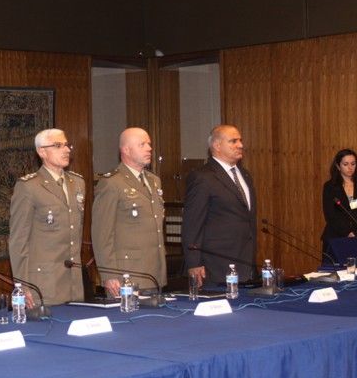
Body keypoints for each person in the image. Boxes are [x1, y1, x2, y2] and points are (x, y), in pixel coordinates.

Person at [8, 129, 86, 306]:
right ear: (42, 152)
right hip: (43, 283)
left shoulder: (78, 183)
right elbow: (18, 240)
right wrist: (22, 285)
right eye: (58, 145)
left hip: (74, 282)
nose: (66, 150)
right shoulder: (29, 186)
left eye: (67, 145)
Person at [91, 127, 166, 297]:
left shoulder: (154, 181)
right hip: (126, 275)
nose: (149, 148)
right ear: (126, 150)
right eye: (142, 144)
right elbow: (102, 234)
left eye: (149, 144)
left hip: (154, 273)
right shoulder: (112, 183)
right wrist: (109, 275)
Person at [182, 124, 257, 287]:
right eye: (233, 141)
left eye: (240, 140)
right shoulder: (203, 177)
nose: (240, 145)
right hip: (215, 265)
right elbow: (192, 223)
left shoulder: (245, 175)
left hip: (245, 262)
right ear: (217, 145)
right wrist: (193, 262)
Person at [321, 148, 357, 259]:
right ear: (338, 166)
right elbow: (330, 215)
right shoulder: (330, 187)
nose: (350, 167)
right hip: (337, 237)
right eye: (346, 164)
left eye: (353, 164)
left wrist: (356, 234)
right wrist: (348, 233)